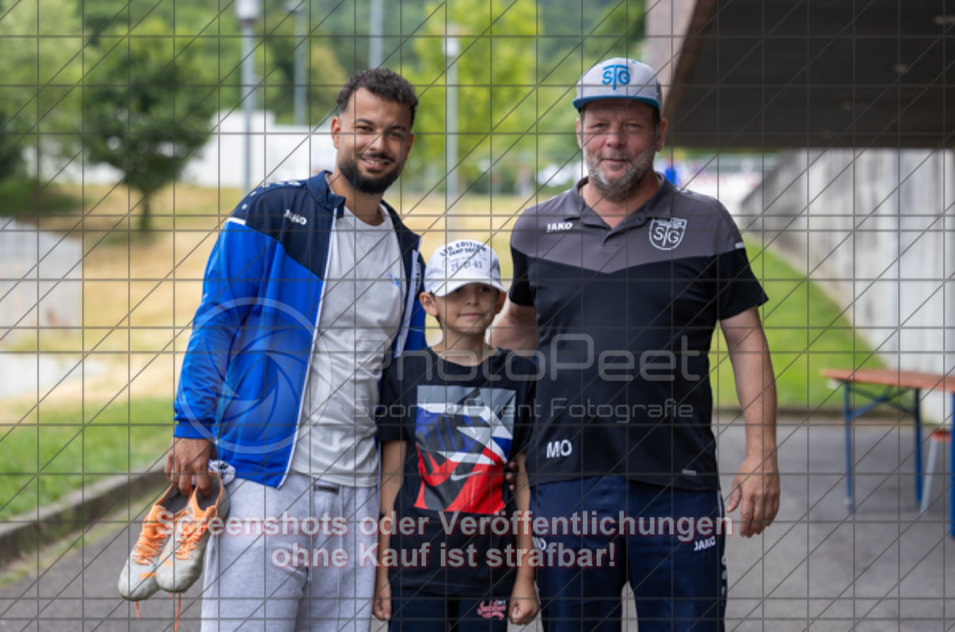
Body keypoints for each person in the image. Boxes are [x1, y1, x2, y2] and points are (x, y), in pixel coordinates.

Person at [492, 57, 780, 630]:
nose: (613, 141)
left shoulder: (707, 222)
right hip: (566, 482)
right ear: (579, 130)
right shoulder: (534, 228)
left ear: (659, 132)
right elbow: (515, 332)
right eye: (599, 124)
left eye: (632, 126)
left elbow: (746, 338)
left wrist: (761, 451)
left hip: (677, 483)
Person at [165, 68, 427, 631]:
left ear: (408, 143)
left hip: (356, 494)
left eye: (395, 132)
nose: (379, 144)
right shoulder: (271, 211)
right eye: (365, 127)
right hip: (266, 480)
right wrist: (192, 423)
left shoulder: (408, 254)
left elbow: (403, 386)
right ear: (336, 131)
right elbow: (217, 322)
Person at [373, 240, 539, 631]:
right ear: (429, 303)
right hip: (415, 568)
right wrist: (384, 574)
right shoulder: (404, 373)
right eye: (456, 291)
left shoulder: (522, 376)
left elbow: (527, 486)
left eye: (483, 290)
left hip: (491, 569)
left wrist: (525, 579)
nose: (472, 301)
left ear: (501, 301)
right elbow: (392, 482)